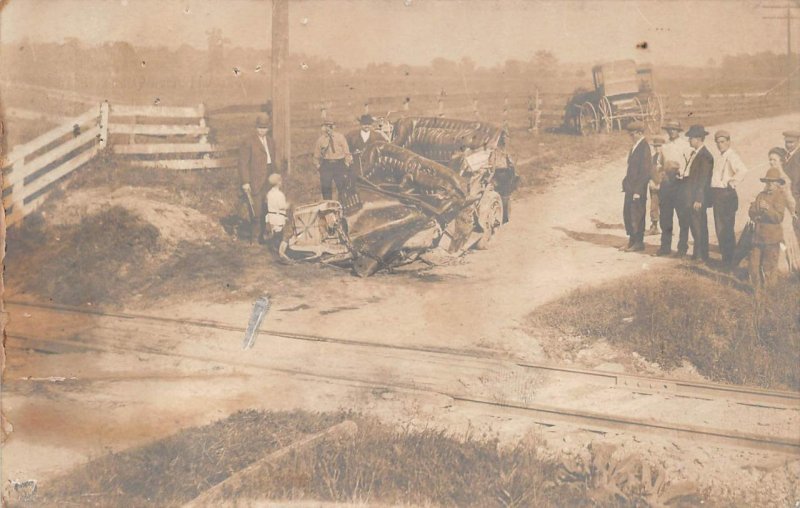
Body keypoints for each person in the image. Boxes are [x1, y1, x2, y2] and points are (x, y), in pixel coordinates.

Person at [710, 130, 747, 267]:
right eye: (718, 142)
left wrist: (733, 182)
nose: (720, 145)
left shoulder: (732, 155)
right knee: (720, 228)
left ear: (728, 142)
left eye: (723, 142)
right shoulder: (721, 156)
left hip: (726, 195)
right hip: (718, 195)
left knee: (725, 228)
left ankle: (729, 260)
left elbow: (743, 170)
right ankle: (727, 258)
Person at [239, 114, 277, 244]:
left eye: (265, 128)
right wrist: (245, 182)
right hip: (255, 181)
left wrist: (276, 179)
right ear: (256, 127)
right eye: (260, 127)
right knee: (256, 211)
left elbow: (273, 162)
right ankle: (254, 239)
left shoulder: (271, 141)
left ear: (268, 128)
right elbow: (243, 163)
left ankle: (264, 236)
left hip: (269, 180)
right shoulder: (249, 142)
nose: (262, 130)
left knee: (268, 209)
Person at [678, 124, 714, 261]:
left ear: (698, 138)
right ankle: (697, 254)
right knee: (695, 225)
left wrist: (698, 199)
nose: (689, 140)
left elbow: (703, 179)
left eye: (691, 138)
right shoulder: (696, 153)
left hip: (696, 198)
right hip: (690, 195)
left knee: (699, 226)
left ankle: (701, 255)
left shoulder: (705, 156)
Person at [748, 166, 788, 288]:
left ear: (778, 183)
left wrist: (767, 209)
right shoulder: (761, 195)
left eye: (772, 181)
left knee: (769, 267)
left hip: (772, 238)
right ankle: (755, 293)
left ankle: (769, 295)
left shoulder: (780, 197)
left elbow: (778, 218)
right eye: (767, 181)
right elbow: (752, 211)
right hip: (757, 237)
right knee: (753, 266)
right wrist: (755, 215)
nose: (769, 184)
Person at [657, 120, 691, 255]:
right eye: (669, 129)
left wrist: (680, 171)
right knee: (665, 216)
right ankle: (665, 247)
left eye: (674, 129)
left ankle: (682, 248)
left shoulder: (685, 145)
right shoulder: (664, 146)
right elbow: (659, 163)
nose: (671, 132)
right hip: (667, 184)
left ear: (679, 131)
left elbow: (690, 164)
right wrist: (662, 171)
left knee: (682, 217)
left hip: (679, 183)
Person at [621, 121, 652, 252]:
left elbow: (645, 171)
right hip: (630, 188)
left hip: (637, 189)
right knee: (628, 213)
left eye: (633, 134)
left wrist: (638, 190)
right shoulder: (635, 146)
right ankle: (632, 240)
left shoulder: (644, 147)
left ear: (640, 133)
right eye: (630, 134)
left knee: (637, 214)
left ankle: (638, 242)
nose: (631, 137)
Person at [313, 119, 353, 202]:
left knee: (342, 187)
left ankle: (343, 207)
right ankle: (329, 209)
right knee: (326, 188)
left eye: (331, 126)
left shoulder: (340, 137)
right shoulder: (321, 140)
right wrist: (318, 166)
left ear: (334, 127)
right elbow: (316, 155)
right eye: (326, 126)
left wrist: (347, 164)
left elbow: (347, 152)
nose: (329, 128)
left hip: (339, 164)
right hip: (326, 165)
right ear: (323, 128)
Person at [783, 130, 800, 237]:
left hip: (796, 195)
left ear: (798, 141)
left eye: (791, 142)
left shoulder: (798, 156)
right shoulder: (787, 156)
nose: (788, 145)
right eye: (787, 142)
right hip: (789, 194)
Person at [265, 173, 288, 254]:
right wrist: (287, 205)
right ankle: (277, 248)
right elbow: (281, 206)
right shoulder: (279, 194)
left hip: (271, 216)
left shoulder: (269, 193)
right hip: (278, 216)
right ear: (278, 183)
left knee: (274, 230)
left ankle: (273, 245)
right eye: (280, 181)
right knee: (279, 233)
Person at [647, 136, 665, 236]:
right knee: (654, 205)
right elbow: (649, 171)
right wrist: (651, 181)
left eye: (659, 146)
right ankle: (654, 225)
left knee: (665, 206)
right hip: (654, 185)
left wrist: (661, 183)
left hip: (663, 185)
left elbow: (667, 172)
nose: (657, 148)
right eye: (655, 146)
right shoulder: (653, 158)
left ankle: (666, 227)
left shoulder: (666, 158)